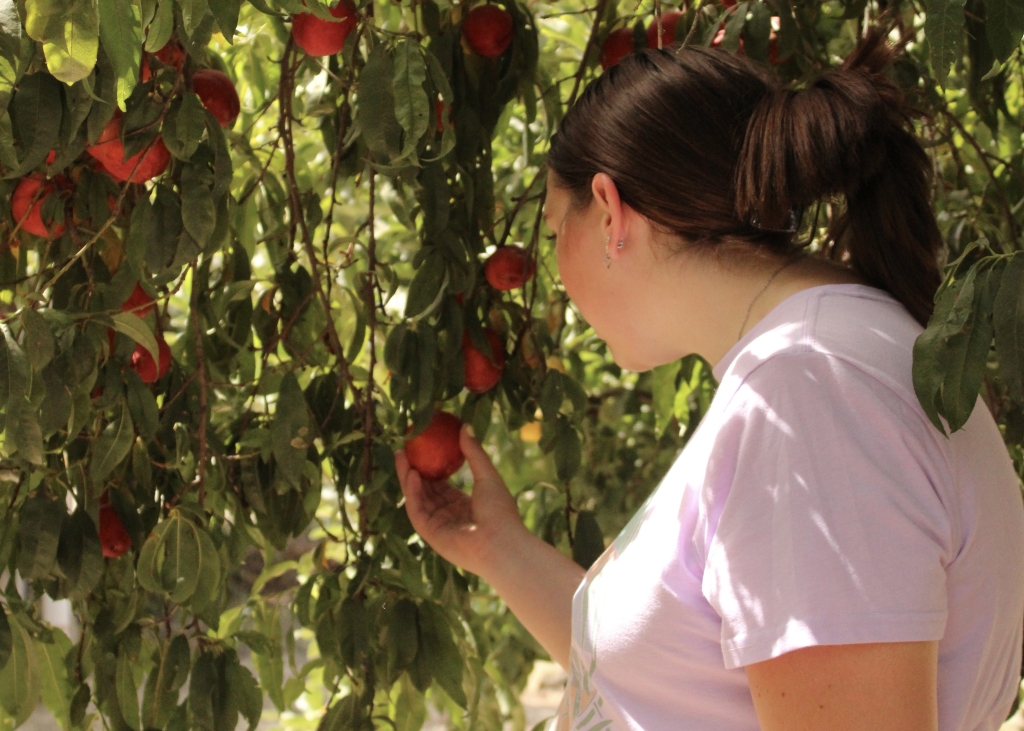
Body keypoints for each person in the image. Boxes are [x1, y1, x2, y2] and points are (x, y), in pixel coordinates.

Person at [394, 23, 1024, 731]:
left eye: (550, 228)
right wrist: (498, 549)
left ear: (608, 211)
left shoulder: (812, 397)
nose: (555, 274)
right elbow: (669, 687)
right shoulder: (810, 369)